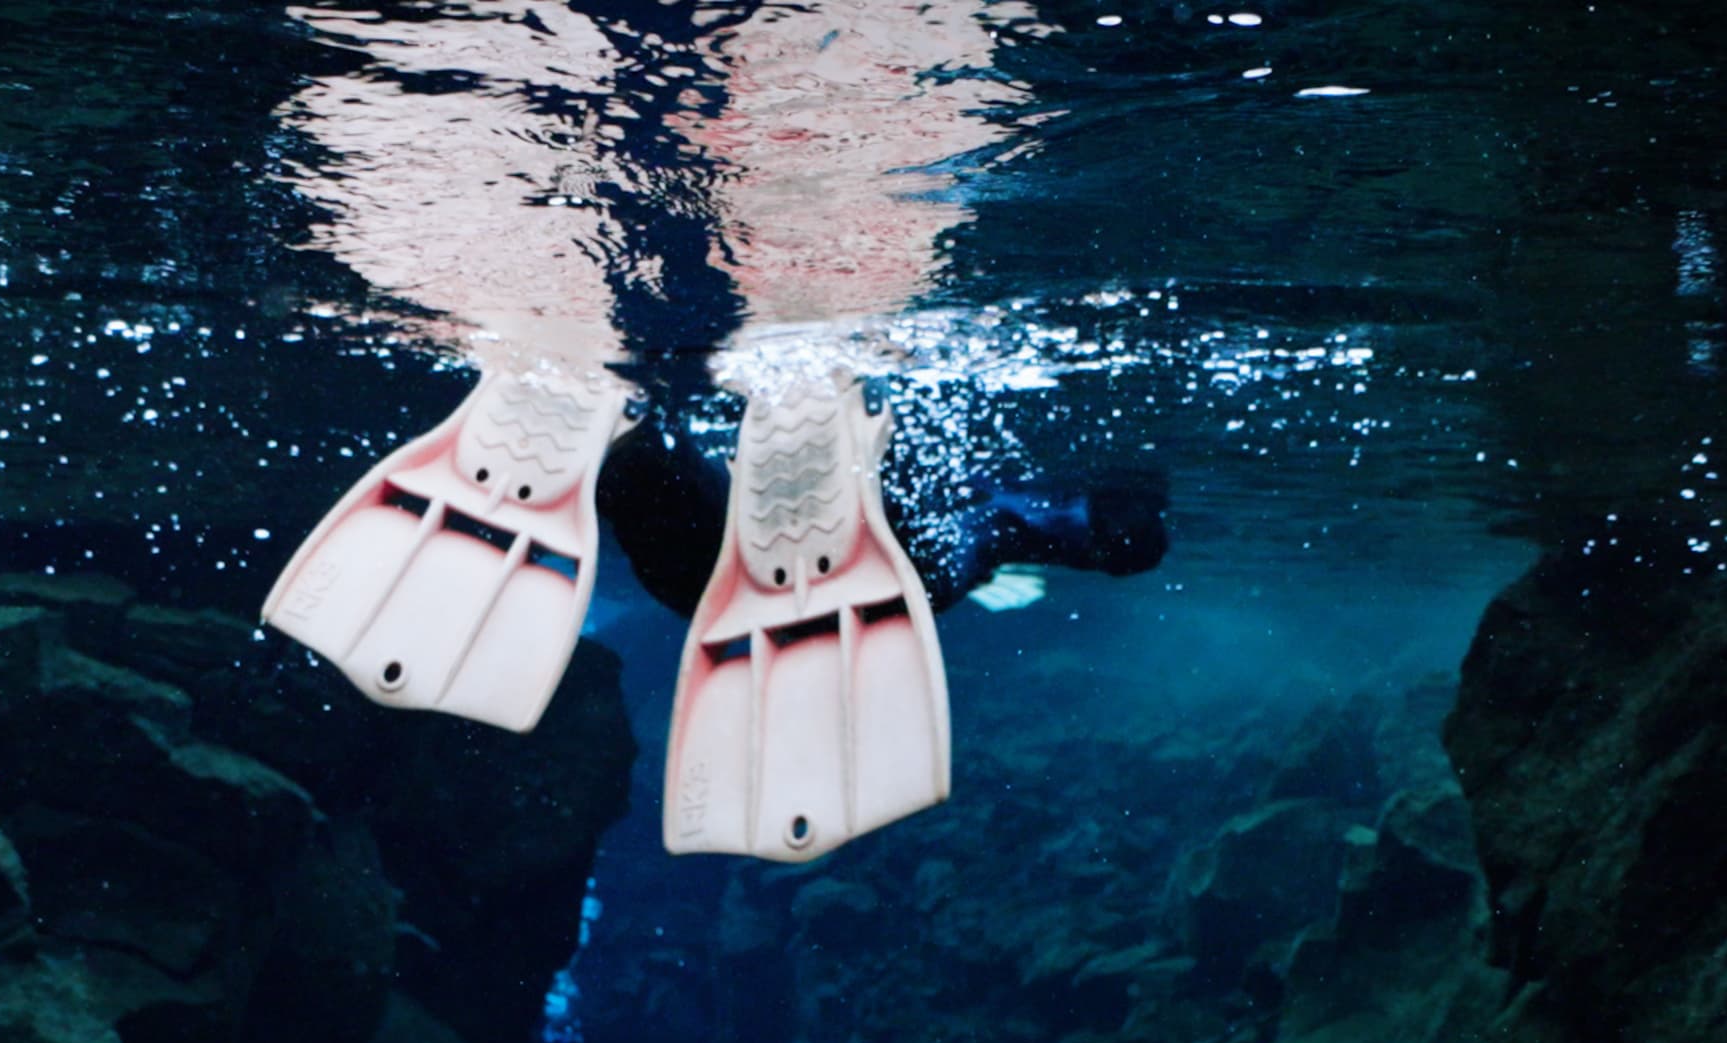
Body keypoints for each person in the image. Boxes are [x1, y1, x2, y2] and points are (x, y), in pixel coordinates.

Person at [259, 0, 1163, 861]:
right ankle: (657, 411)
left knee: (921, 499)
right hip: (737, 575)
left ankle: (664, 403)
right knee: (930, 508)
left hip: (747, 560)